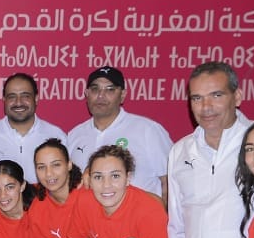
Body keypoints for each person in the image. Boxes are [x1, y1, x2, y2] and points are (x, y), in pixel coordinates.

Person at [66, 67, 173, 199]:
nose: (101, 95)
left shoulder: (147, 130)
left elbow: (169, 182)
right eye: (95, 89)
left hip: (137, 217)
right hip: (87, 217)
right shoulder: (74, 135)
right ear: (87, 94)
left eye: (110, 90)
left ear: (122, 95)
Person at [0, 73, 66, 184]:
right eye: (12, 96)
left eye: (25, 96)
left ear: (36, 98)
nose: (18, 102)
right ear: (4, 99)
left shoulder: (56, 135)